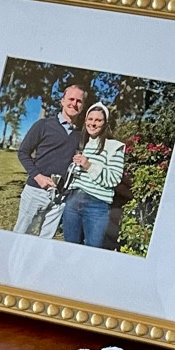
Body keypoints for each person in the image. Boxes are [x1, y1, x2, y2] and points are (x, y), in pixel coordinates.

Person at [13, 81, 86, 237]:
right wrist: (38, 177)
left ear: (83, 105)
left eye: (79, 101)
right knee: (20, 235)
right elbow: (23, 152)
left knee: (46, 241)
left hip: (60, 198)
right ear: (63, 101)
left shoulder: (80, 135)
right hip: (36, 191)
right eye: (71, 99)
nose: (74, 104)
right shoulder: (43, 125)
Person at [60, 102, 126, 247]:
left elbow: (114, 179)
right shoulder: (83, 144)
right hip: (73, 201)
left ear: (105, 123)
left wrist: (88, 165)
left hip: (97, 205)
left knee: (93, 249)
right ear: (85, 121)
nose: (93, 124)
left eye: (98, 120)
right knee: (69, 248)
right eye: (90, 119)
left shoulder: (114, 147)